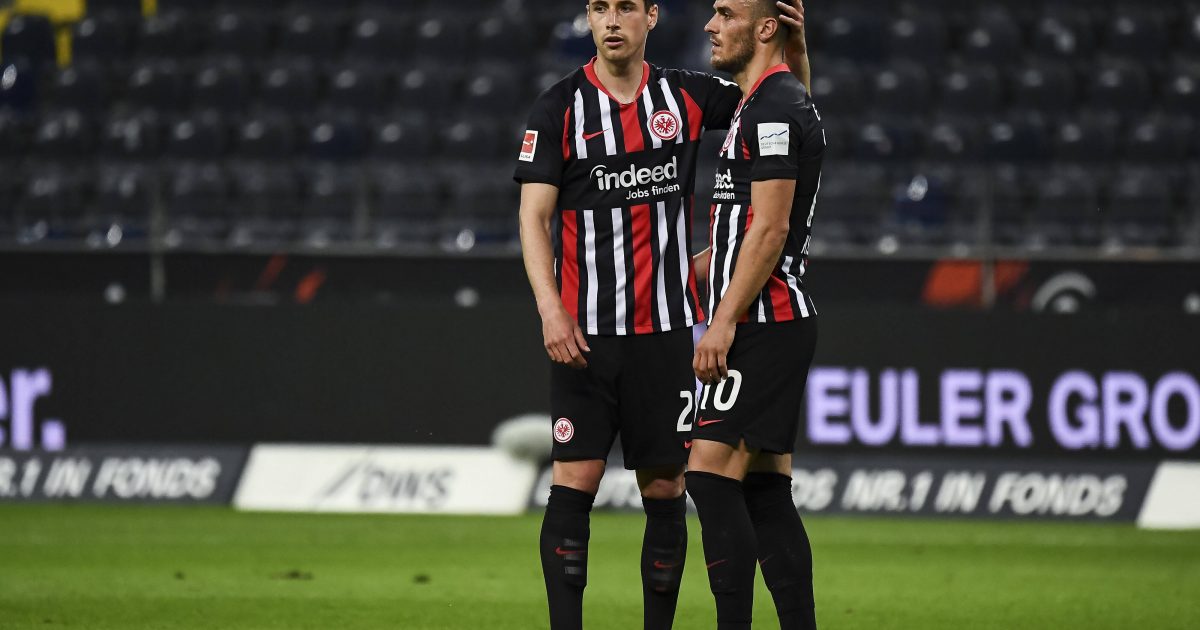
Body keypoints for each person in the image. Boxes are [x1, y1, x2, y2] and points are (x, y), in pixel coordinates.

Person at [513, 2, 809, 628]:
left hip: (666, 333)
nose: (610, 21)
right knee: (575, 478)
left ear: (651, 17)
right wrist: (550, 308)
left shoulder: (687, 96)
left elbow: (782, 107)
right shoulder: (558, 108)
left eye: (625, 7)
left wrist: (795, 48)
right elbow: (533, 218)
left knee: (667, 490)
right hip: (585, 333)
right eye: (598, 8)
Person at [685, 1, 825, 629]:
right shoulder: (774, 97)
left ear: (764, 27)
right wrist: (709, 258)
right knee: (765, 487)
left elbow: (770, 228)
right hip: (768, 321)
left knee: (709, 475)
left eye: (726, 13)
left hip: (762, 323)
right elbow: (751, 216)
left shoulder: (772, 105)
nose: (711, 26)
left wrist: (722, 320)